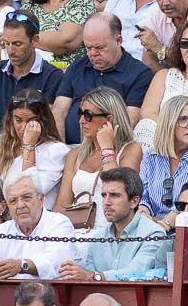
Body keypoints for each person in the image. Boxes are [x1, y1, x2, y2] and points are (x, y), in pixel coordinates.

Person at [52, 15, 151, 144]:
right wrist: (60, 147)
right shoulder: (78, 65)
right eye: (88, 48)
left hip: (108, 148)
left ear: (118, 40)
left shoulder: (139, 74)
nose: (92, 53)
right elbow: (59, 109)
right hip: (68, 147)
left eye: (99, 48)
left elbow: (128, 122)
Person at [53, 87, 144, 227]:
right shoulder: (74, 155)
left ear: (109, 119)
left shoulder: (131, 149)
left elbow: (119, 191)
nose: (82, 120)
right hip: (75, 231)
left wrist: (107, 149)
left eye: (88, 115)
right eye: (80, 113)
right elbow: (61, 206)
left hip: (112, 232)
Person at [58, 168, 166, 281]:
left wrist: (95, 276)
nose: (107, 202)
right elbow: (89, 280)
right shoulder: (98, 238)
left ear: (134, 201)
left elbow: (137, 272)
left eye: (115, 195)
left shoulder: (154, 233)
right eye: (104, 195)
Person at [0, 12, 63, 139]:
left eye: (17, 44)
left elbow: (46, 127)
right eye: (6, 43)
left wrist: (6, 142)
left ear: (34, 41)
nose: (10, 51)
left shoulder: (53, 76)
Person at [0, 175, 76, 279]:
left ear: (41, 199)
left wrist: (22, 265)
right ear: (7, 205)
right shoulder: (2, 230)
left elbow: (58, 263)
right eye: (13, 201)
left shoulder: (59, 223)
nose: (20, 205)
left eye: (26, 197)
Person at [138, 96, 188, 225]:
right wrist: (143, 215)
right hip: (150, 227)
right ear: (168, 123)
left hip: (187, 229)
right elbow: (143, 196)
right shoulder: (151, 156)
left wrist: (164, 224)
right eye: (183, 119)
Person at [0, 88, 69, 206]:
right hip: (3, 217)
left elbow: (33, 189)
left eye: (31, 121)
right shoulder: (1, 148)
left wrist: (29, 145)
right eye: (18, 120)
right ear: (11, 119)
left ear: (43, 120)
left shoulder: (56, 150)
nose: (24, 127)